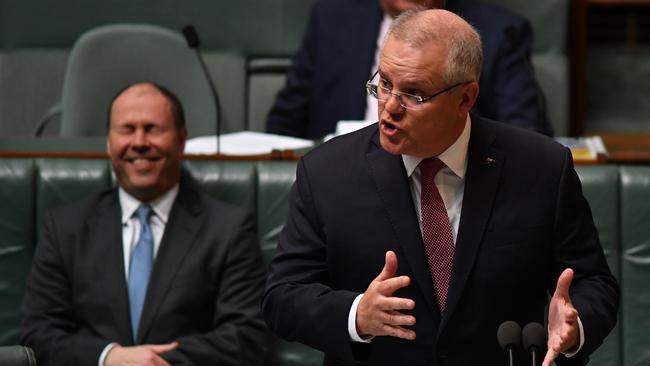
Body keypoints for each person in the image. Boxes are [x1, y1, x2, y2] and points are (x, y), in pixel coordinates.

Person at [262, 9, 618, 366]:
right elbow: (282, 297)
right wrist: (356, 316)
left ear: (465, 98)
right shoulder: (327, 172)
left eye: (414, 94)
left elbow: (594, 284)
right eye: (384, 84)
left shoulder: (541, 168)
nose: (388, 108)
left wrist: (576, 327)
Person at [21, 82, 268, 366]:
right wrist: (107, 358)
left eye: (153, 128)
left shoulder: (228, 229)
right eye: (126, 129)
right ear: (109, 142)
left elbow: (245, 338)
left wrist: (147, 363)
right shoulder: (66, 228)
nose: (139, 141)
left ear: (181, 138)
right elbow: (37, 335)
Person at [266, 0, 552, 139]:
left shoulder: (497, 32)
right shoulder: (332, 19)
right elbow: (284, 123)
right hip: (342, 184)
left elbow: (524, 134)